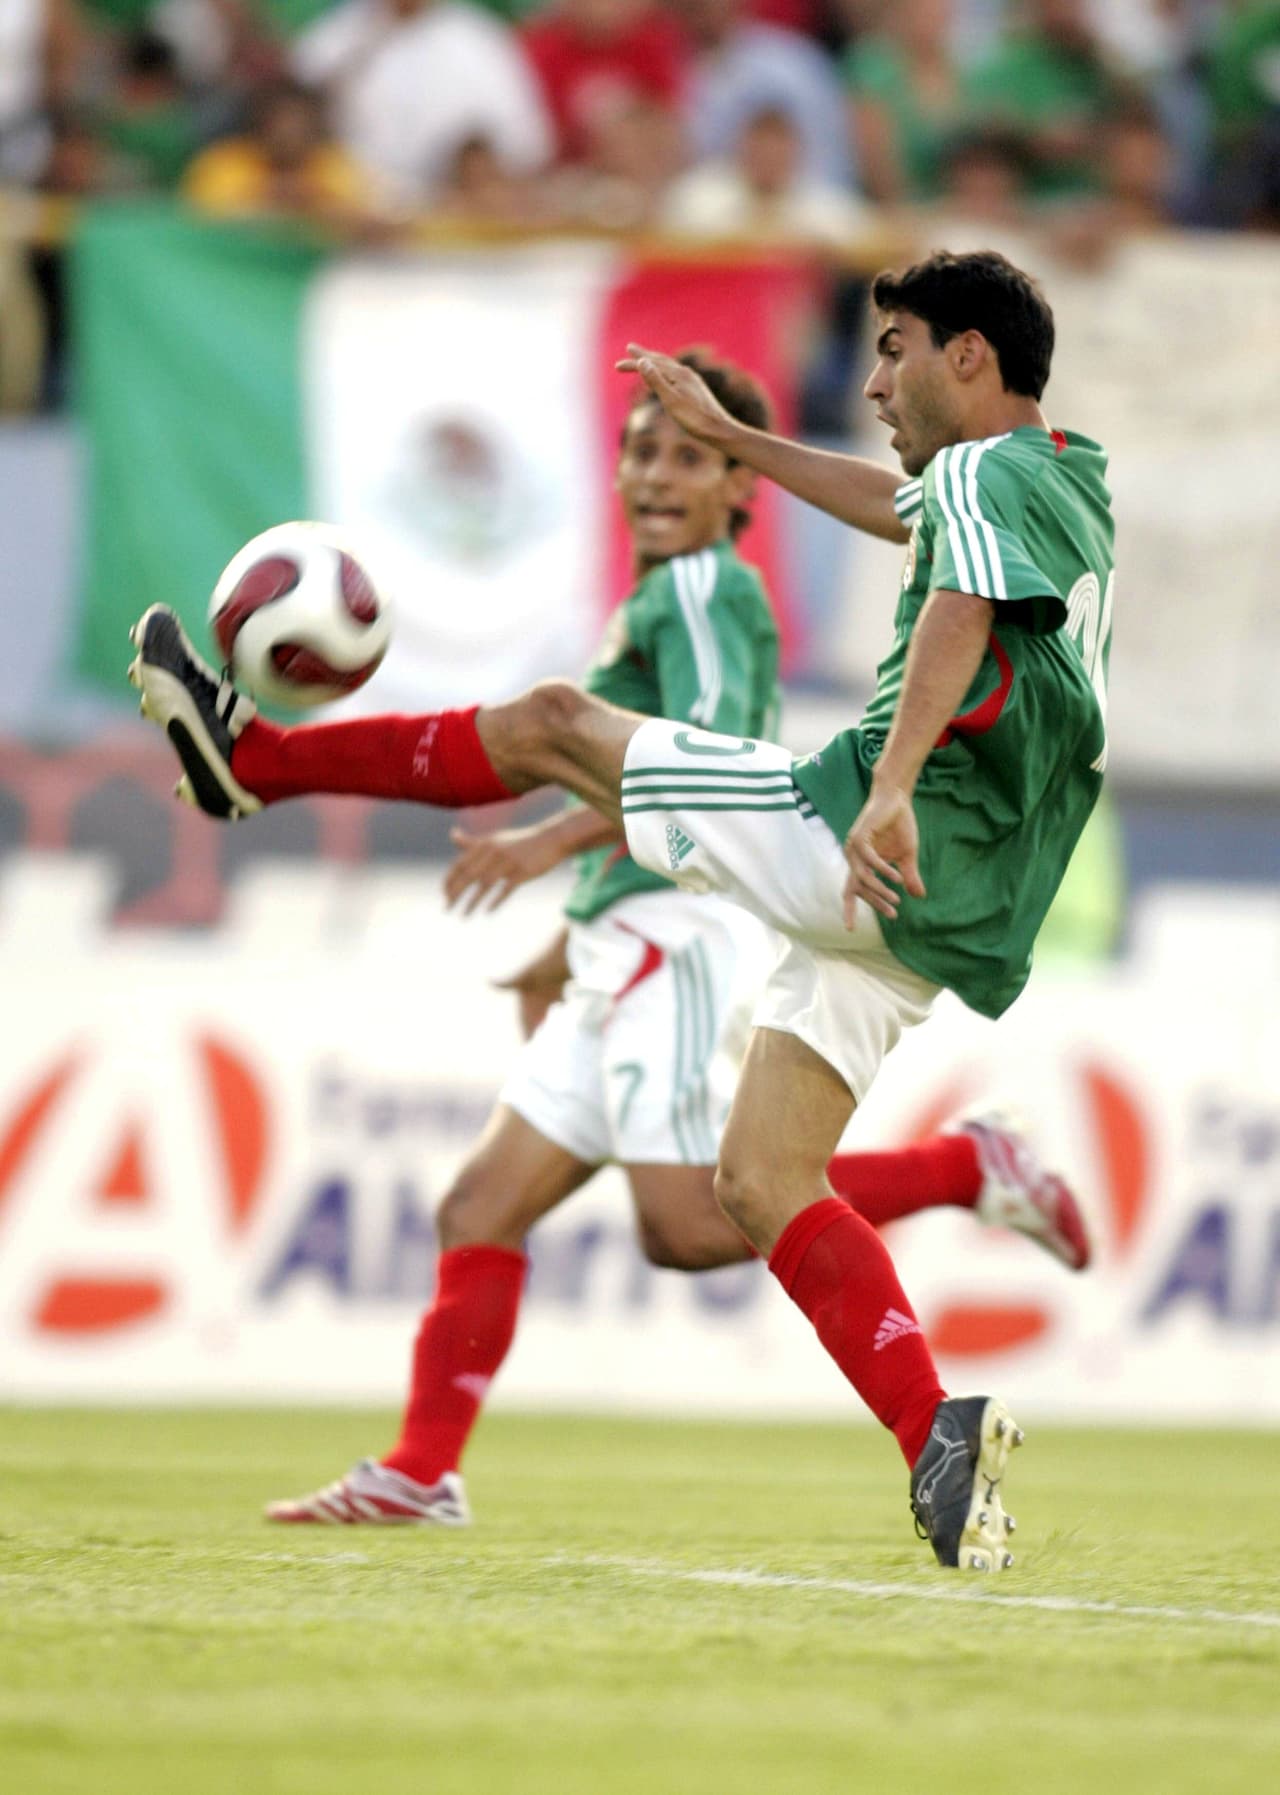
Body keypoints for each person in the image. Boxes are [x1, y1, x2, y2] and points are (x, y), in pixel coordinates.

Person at [129, 248, 1112, 1571]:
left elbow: (958, 599)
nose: (874, 383)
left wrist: (887, 787)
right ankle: (934, 1432)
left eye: (894, 351)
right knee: (756, 1185)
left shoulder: (982, 485)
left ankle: (252, 762)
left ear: (969, 356)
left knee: (551, 721)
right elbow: (909, 516)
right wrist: (741, 441)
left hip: (876, 835)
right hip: (950, 906)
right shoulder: (1061, 481)